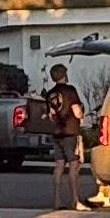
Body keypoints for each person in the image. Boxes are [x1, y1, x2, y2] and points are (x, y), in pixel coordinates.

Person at [39, 62, 86, 210]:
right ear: (64, 75)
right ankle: (75, 200)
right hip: (70, 132)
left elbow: (51, 115)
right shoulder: (70, 90)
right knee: (74, 165)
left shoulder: (50, 94)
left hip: (57, 133)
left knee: (59, 165)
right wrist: (81, 116)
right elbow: (76, 110)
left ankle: (57, 201)